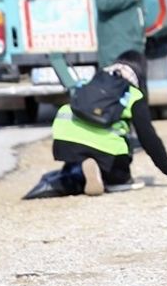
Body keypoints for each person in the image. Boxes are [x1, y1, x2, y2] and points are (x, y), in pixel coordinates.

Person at [92, 0, 167, 194]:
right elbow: (104, 2)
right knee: (127, 115)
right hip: (118, 56)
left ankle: (120, 171)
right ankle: (117, 174)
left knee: (131, 115)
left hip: (129, 50)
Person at [50, 63, 147, 195]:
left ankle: (80, 169)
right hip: (106, 149)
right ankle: (110, 178)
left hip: (64, 142)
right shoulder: (133, 94)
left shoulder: (89, 82)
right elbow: (148, 137)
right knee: (119, 176)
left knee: (76, 170)